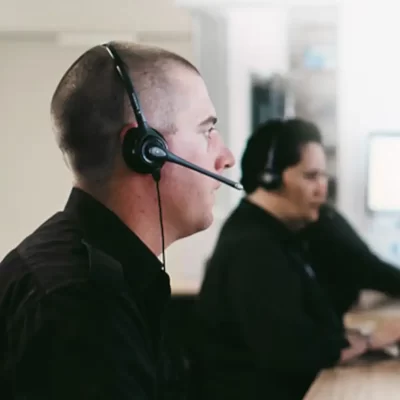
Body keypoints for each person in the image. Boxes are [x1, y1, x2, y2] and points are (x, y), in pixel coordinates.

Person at [0, 41, 235, 399]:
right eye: (207, 131)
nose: (226, 158)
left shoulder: (101, 277)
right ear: (147, 151)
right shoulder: (81, 309)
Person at [187, 118, 400, 400]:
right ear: (270, 178)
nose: (322, 190)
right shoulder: (253, 249)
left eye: (324, 177)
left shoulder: (281, 233)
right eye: (311, 177)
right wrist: (370, 338)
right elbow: (295, 352)